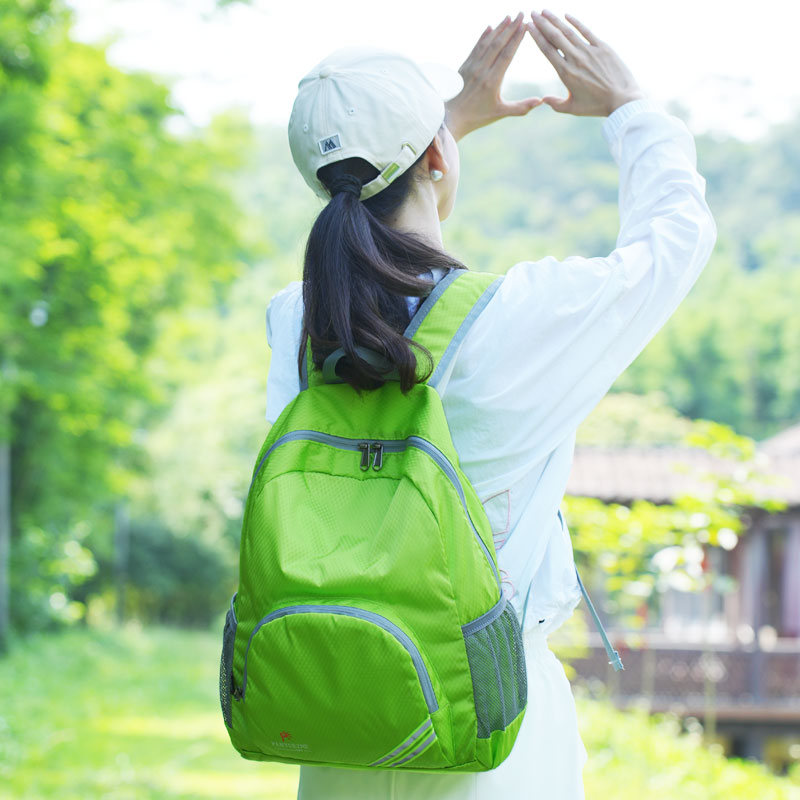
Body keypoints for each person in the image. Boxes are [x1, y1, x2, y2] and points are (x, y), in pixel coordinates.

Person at [264, 10, 716, 799]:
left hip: (340, 722)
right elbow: (674, 240)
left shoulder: (294, 325)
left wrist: (448, 126)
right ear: (435, 158)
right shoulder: (517, 318)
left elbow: (371, 220)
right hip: (491, 728)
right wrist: (631, 108)